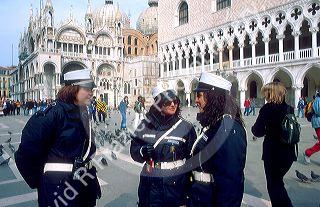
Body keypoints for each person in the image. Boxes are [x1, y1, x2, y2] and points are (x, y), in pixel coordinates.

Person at [15, 69, 101, 207]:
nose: (91, 92)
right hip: (58, 188)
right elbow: (25, 154)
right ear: (73, 89)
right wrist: (43, 182)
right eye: (87, 88)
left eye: (92, 88)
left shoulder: (83, 112)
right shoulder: (53, 114)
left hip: (83, 184)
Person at [130, 86, 197, 207]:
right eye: (168, 102)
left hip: (175, 184)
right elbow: (134, 149)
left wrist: (188, 191)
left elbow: (193, 161)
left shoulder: (186, 127)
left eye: (175, 101)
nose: (173, 105)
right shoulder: (145, 124)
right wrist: (142, 151)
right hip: (150, 182)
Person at [187, 72, 247, 207]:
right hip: (201, 198)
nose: (196, 100)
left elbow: (230, 183)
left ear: (212, 97)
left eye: (199, 95)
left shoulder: (227, 129)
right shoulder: (216, 124)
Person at [252, 82, 296, 207]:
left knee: (274, 186)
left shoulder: (267, 109)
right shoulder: (289, 108)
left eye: (266, 93)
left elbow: (257, 131)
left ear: (270, 94)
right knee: (278, 183)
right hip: (289, 154)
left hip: (273, 155)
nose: (264, 96)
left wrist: (257, 129)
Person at [304, 91, 320, 164]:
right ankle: (308, 153)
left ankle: (308, 153)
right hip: (318, 123)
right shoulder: (318, 99)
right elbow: (317, 111)